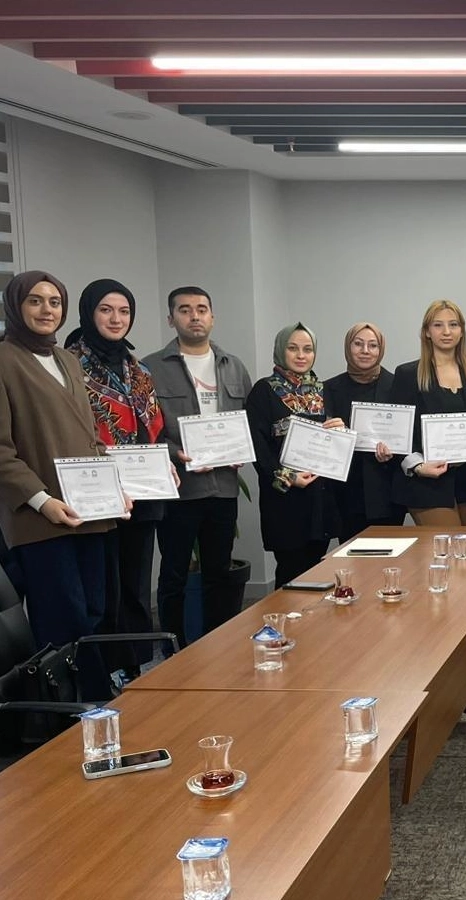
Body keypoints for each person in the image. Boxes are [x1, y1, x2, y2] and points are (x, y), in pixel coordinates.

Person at [0, 271, 117, 700]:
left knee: (93, 610)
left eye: (55, 301)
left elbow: (91, 436)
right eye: (35, 301)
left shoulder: (67, 360)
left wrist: (114, 487)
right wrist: (43, 501)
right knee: (64, 618)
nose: (47, 310)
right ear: (16, 306)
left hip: (89, 510)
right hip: (40, 517)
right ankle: (80, 708)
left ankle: (88, 703)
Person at [65, 278, 168, 685]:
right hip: (97, 490)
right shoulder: (70, 364)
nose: (115, 319)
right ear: (89, 313)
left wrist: (165, 461)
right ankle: (106, 671)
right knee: (103, 587)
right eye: (106, 310)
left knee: (137, 585)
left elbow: (154, 427)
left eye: (124, 311)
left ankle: (138, 666)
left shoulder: (137, 368)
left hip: (143, 492)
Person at [146, 286, 253, 648]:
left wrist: (242, 448)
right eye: (185, 310)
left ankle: (218, 649)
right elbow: (146, 430)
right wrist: (176, 452)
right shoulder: (151, 368)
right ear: (171, 318)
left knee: (219, 574)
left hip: (223, 488)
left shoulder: (233, 366)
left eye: (202, 309)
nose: (195, 316)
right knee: (174, 575)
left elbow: (247, 420)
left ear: (212, 317)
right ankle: (174, 651)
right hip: (180, 490)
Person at [246, 323, 344, 588]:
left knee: (316, 572)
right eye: (293, 348)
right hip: (286, 498)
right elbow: (258, 447)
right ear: (281, 350)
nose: (301, 355)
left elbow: (334, 444)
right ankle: (286, 615)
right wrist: (289, 477)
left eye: (307, 349)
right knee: (290, 573)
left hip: (319, 496)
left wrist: (341, 432)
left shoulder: (324, 391)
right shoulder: (263, 391)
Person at [391, 300, 466, 527]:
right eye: (438, 325)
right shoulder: (408, 374)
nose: (446, 331)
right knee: (450, 543)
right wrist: (418, 466)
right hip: (426, 481)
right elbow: (398, 433)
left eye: (453, 324)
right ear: (427, 332)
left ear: (462, 331)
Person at [324, 322, 404, 541]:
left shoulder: (398, 385)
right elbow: (323, 444)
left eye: (373, 345)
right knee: (351, 557)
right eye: (358, 344)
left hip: (386, 492)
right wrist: (334, 435)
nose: (365, 351)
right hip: (346, 493)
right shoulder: (328, 389)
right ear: (347, 347)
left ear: (381, 349)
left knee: (390, 556)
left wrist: (394, 450)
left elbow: (409, 437)